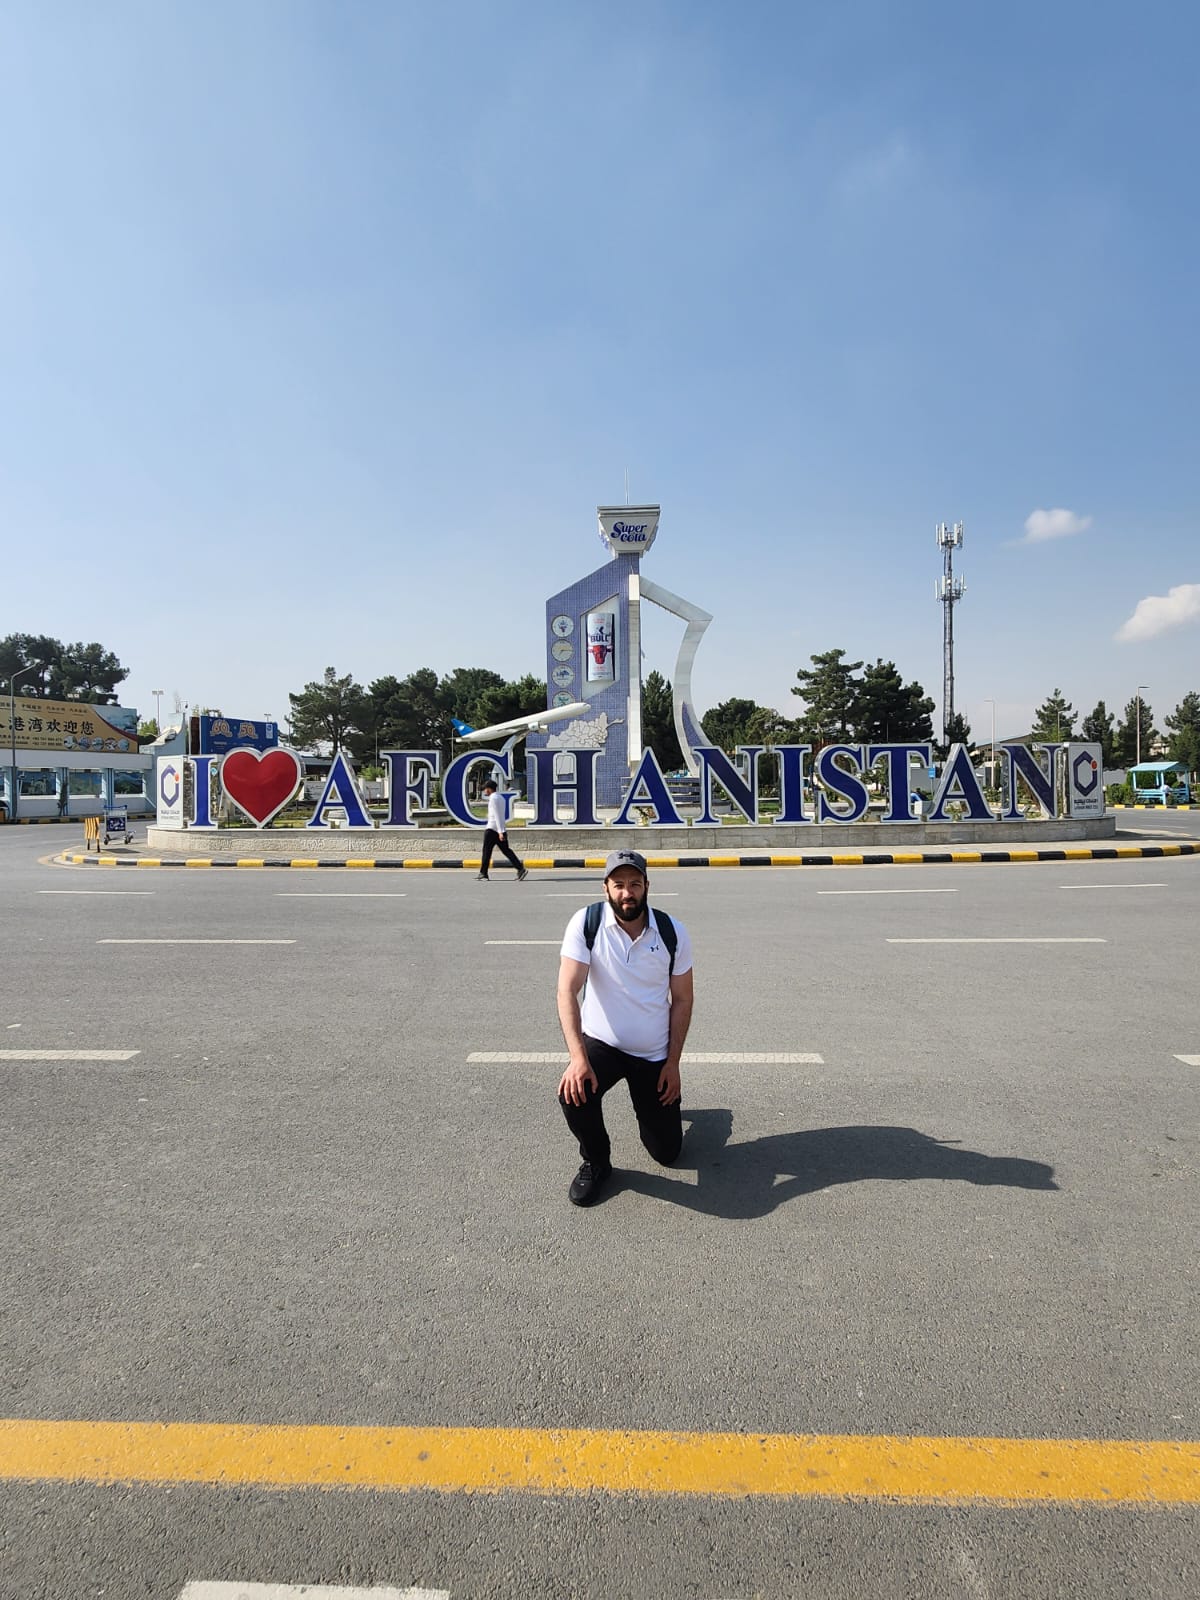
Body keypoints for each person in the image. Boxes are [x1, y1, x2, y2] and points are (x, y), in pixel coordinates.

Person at [556, 849, 694, 1206]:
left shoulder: (672, 932)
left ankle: (685, 1117)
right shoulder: (586, 923)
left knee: (667, 1153)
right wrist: (577, 1059)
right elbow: (567, 990)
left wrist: (673, 1064)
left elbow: (682, 999)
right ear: (606, 887)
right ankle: (597, 1162)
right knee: (573, 1091)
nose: (627, 893)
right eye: (618, 884)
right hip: (603, 1043)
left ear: (647, 886)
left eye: (634, 883)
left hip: (652, 1053)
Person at [478, 779, 527, 881]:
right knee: (506, 851)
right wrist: (502, 830)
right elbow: (501, 816)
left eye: (485, 789)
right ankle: (520, 868)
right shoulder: (500, 797)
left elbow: (497, 815)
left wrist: (500, 831)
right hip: (500, 828)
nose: (485, 791)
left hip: (492, 829)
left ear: (489, 789)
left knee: (486, 851)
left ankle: (483, 873)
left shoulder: (493, 798)